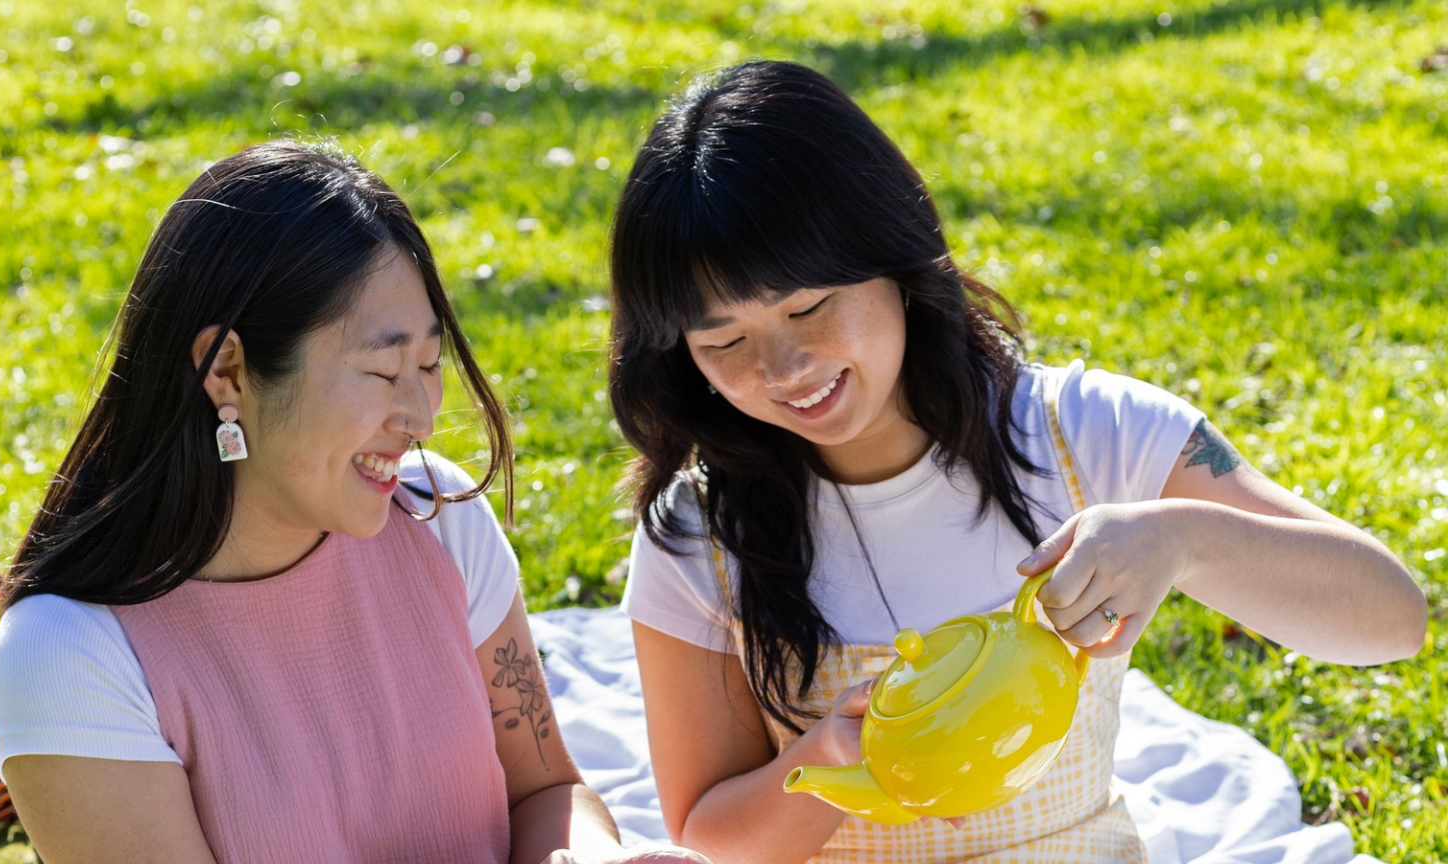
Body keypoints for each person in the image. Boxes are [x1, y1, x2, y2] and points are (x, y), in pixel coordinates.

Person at [607, 60, 1426, 864]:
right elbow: (705, 825)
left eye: (808, 306)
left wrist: (1184, 541)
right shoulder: (701, 535)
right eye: (726, 342)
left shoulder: (1080, 432)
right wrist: (823, 761)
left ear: (892, 254)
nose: (784, 367)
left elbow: (1389, 620)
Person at [0, 142, 708, 864]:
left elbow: (546, 793)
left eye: (427, 365)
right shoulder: (70, 654)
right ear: (228, 370)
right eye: (383, 369)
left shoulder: (439, 515)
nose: (421, 418)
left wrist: (596, 860)